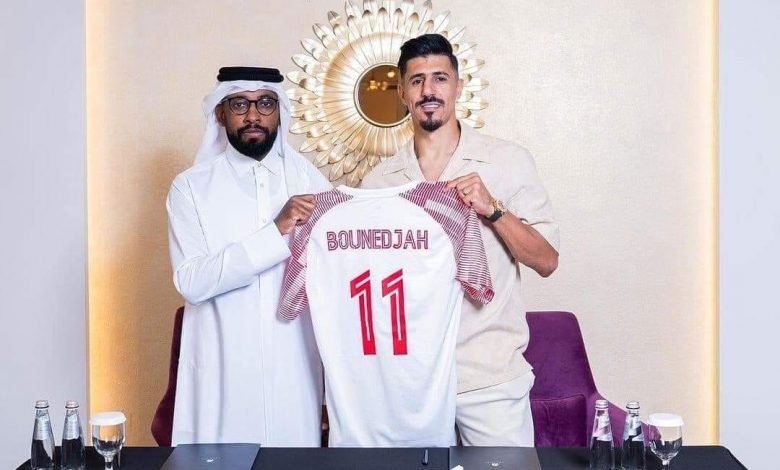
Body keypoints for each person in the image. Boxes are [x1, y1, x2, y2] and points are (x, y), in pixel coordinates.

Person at [361, 34, 560, 446]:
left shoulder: (508, 161)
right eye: (416, 81)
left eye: (439, 78)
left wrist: (493, 209)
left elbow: (546, 260)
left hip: (489, 376)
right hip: (409, 382)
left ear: (458, 86)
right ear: (402, 93)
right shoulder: (379, 182)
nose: (428, 91)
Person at [166, 66, 331, 446]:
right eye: (240, 104)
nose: (253, 115)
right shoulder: (190, 188)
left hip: (296, 371)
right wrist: (275, 231)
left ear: (280, 112)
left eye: (265, 104)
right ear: (221, 113)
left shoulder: (310, 182)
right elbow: (191, 281)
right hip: (222, 371)